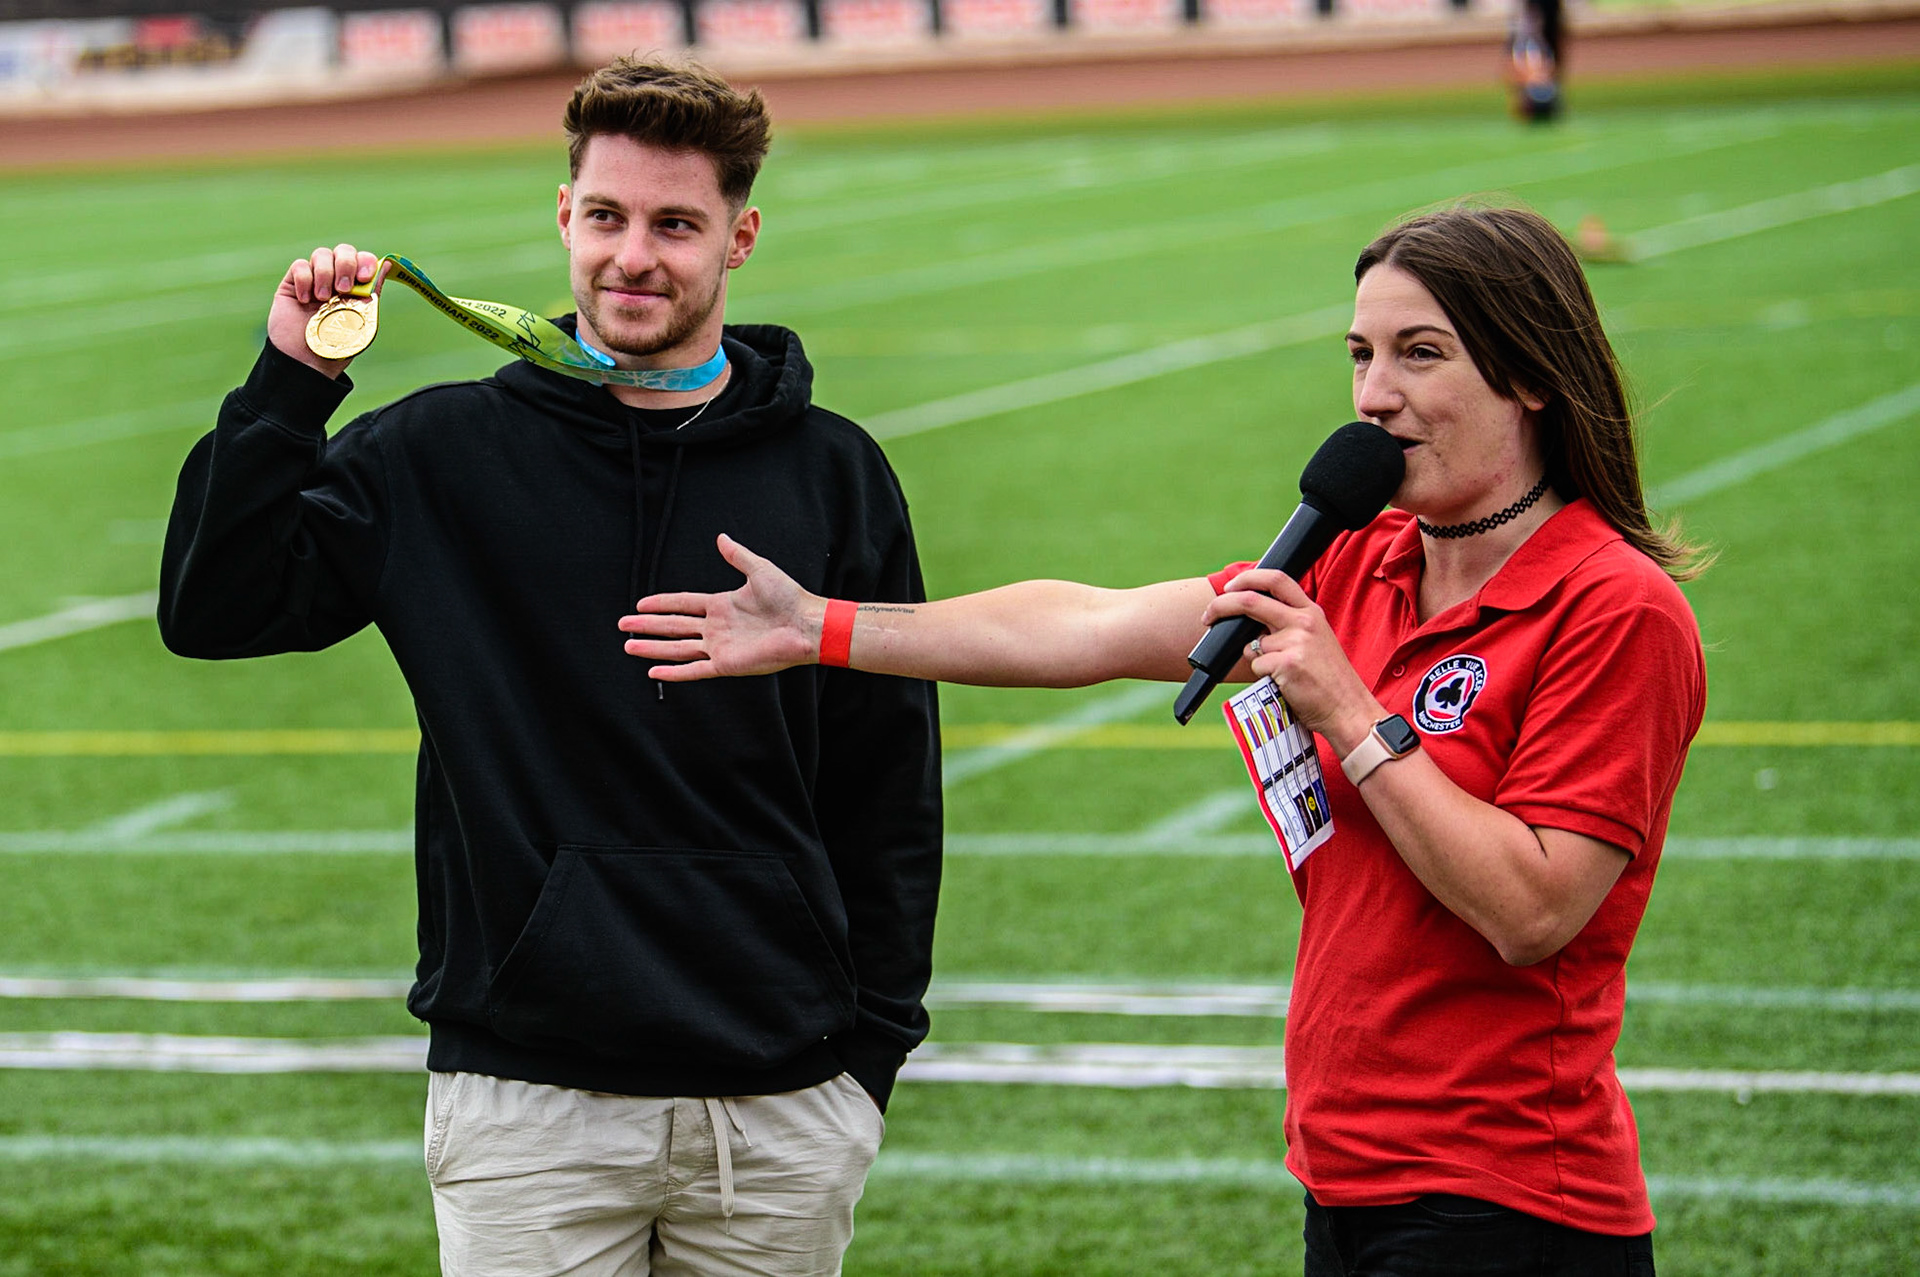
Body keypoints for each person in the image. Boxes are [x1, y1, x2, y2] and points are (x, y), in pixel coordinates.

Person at [620, 205, 1706, 1276]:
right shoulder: (1356, 557)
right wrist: (821, 625)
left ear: (1530, 373)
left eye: (1422, 355)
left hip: (1512, 1200)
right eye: (1361, 354)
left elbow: (1534, 909)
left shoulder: (1615, 607)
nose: (1375, 396)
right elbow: (1086, 623)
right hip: (1348, 1170)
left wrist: (1351, 713)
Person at [159, 55, 942, 1277]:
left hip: (780, 1106)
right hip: (526, 1102)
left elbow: (890, 781)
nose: (634, 256)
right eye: (607, 217)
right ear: (563, 217)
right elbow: (214, 608)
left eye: (676, 224)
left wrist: (871, 1057)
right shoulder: (439, 454)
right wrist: (291, 378)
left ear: (739, 238)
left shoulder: (832, 470)